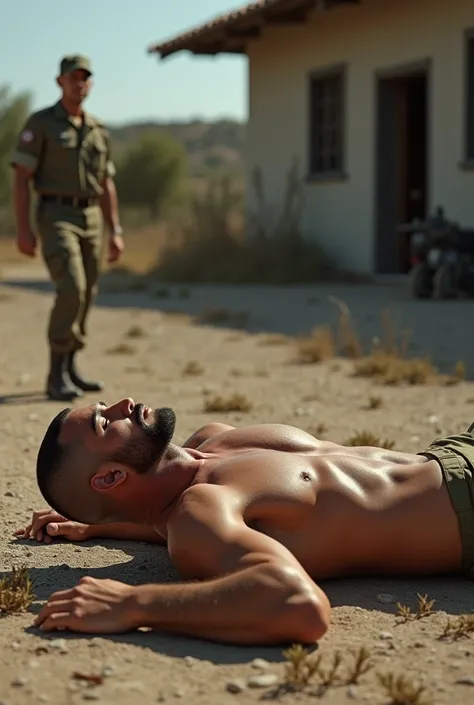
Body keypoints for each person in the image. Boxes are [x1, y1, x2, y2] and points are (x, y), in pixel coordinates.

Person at [16, 397, 473, 645]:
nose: (123, 403)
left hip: (453, 449)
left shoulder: (212, 442)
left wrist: (103, 523)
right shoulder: (198, 515)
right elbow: (299, 605)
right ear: (111, 475)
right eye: (104, 423)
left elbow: (157, 513)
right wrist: (134, 604)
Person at [10, 55, 125, 402]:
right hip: (56, 214)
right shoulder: (42, 124)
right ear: (60, 82)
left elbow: (106, 183)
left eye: (85, 78)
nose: (80, 84)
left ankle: (71, 364)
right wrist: (24, 229)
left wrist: (115, 229)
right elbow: (20, 177)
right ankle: (55, 372)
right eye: (73, 78)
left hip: (90, 216)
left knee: (88, 291)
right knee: (71, 287)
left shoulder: (98, 130)